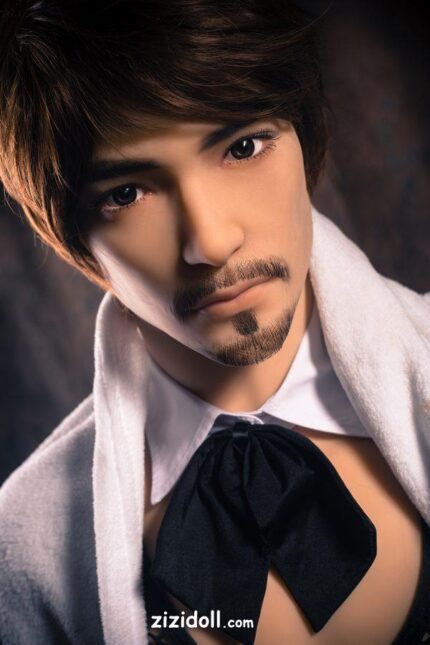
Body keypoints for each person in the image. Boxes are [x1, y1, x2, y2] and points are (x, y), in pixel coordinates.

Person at [0, 1, 429, 644]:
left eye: (243, 146)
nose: (211, 240)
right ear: (78, 246)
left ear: (304, 136)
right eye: (126, 194)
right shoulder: (26, 548)